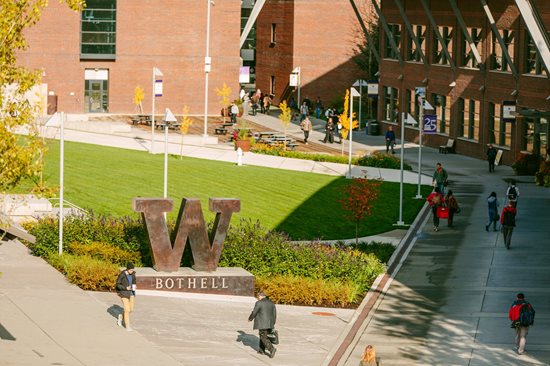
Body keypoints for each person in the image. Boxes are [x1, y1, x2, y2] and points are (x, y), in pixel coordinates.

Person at [248, 291, 277, 358]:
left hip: (262, 323)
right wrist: (273, 323)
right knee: (263, 336)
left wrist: (250, 318)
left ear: (260, 296)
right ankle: (261, 350)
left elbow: (254, 312)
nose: (258, 298)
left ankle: (272, 349)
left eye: (258, 297)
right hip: (270, 323)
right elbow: (274, 314)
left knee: (263, 337)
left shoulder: (259, 303)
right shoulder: (272, 303)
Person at [116, 262, 136, 331]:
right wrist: (125, 288)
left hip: (131, 293)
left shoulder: (133, 274)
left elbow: (134, 282)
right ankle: (127, 326)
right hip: (124, 293)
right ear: (127, 269)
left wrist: (134, 287)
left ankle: (121, 317)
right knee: (127, 310)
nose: (132, 271)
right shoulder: (122, 275)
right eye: (130, 270)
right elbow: (117, 284)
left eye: (132, 270)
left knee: (131, 309)